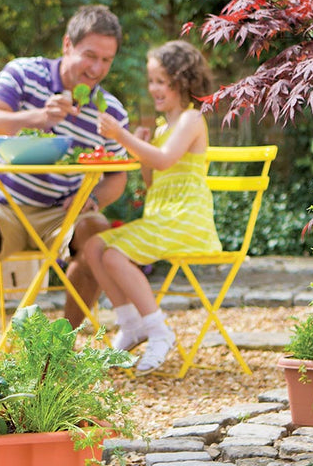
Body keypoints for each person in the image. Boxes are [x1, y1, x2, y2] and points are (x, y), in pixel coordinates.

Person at [0, 5, 130, 350]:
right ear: (67, 45)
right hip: (1, 205)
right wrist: (35, 117)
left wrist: (92, 200)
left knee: (97, 233)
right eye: (89, 55)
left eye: (106, 60)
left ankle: (60, 348)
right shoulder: (23, 74)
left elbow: (117, 177)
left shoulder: (110, 110)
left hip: (63, 214)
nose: (96, 69)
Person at [82, 39, 220, 374]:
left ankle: (159, 330)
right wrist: (142, 144)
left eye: (161, 81)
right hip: (162, 218)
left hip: (186, 219)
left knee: (114, 255)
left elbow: (164, 160)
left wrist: (123, 137)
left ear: (181, 81)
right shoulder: (161, 129)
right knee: (94, 246)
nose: (153, 89)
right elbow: (151, 178)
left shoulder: (191, 119)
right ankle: (131, 324)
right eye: (152, 81)